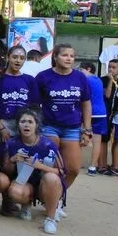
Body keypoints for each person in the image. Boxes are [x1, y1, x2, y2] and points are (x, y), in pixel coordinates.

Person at [36, 44, 91, 189]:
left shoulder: (80, 77)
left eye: (72, 56)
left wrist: (87, 129)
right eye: (65, 55)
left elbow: (86, 104)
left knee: (73, 169)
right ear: (55, 57)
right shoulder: (43, 77)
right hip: (49, 126)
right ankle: (44, 195)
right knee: (51, 167)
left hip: (72, 128)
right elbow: (34, 104)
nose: (69, 58)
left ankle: (59, 197)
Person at [4, 109, 66, 234]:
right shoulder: (12, 143)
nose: (26, 124)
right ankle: (26, 205)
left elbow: (62, 171)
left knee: (52, 178)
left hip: (45, 184)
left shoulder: (48, 144)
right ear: (18, 125)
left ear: (36, 125)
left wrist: (40, 166)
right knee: (15, 191)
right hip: (24, 183)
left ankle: (50, 218)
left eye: (30, 122)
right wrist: (12, 159)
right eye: (23, 121)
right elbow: (4, 169)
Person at [0, 46, 40, 143]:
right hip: (3, 124)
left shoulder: (29, 80)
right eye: (14, 57)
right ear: (8, 57)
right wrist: (0, 127)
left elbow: (34, 107)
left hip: (24, 125)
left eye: (22, 58)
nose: (18, 61)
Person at [80, 62, 109, 176]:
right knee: (97, 141)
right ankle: (93, 166)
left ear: (87, 69)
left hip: (88, 112)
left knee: (80, 138)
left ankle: (77, 163)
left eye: (81, 69)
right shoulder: (98, 80)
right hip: (101, 113)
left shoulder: (85, 80)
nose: (80, 71)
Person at [98, 59, 118, 175]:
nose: (110, 69)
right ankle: (101, 165)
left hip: (114, 115)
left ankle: (108, 164)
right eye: (109, 67)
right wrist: (110, 81)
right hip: (104, 113)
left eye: (114, 67)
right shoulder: (102, 80)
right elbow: (107, 95)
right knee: (103, 139)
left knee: (110, 139)